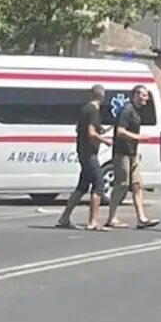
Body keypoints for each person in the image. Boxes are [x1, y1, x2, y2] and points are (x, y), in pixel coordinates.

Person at [56, 85, 111, 231]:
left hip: (83, 151)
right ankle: (93, 221)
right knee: (99, 184)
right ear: (102, 97)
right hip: (89, 154)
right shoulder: (93, 110)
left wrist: (99, 130)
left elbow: (80, 128)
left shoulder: (84, 109)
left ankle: (64, 218)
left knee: (82, 186)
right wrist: (105, 140)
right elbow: (91, 133)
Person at [105, 85, 160, 229]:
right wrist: (138, 137)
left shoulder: (136, 111)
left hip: (133, 153)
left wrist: (137, 149)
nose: (146, 99)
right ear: (136, 95)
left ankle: (142, 218)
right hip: (122, 153)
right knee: (122, 184)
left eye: (147, 96)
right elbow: (120, 131)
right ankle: (111, 217)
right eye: (144, 95)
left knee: (137, 185)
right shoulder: (127, 110)